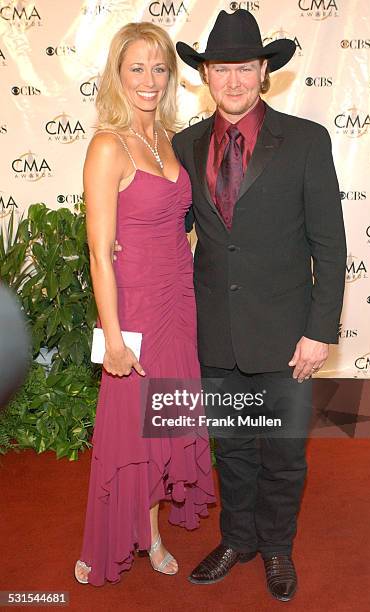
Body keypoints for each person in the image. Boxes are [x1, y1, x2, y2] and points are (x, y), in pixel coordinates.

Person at [172, 9, 346, 602]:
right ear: (206, 76)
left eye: (245, 68)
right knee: (235, 449)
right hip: (216, 330)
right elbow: (172, 232)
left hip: (287, 335)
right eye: (222, 69)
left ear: (264, 70)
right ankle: (237, 539)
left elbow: (330, 242)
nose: (234, 81)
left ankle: (276, 549)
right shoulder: (184, 144)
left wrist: (320, 330)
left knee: (284, 455)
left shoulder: (304, 140)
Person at [74, 22, 216, 587]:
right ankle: (108, 538)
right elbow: (99, 254)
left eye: (159, 68)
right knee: (129, 427)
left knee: (164, 423)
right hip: (134, 308)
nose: (149, 80)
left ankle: (151, 532)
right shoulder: (108, 145)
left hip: (179, 302)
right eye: (137, 68)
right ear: (117, 75)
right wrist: (112, 337)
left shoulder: (170, 141)